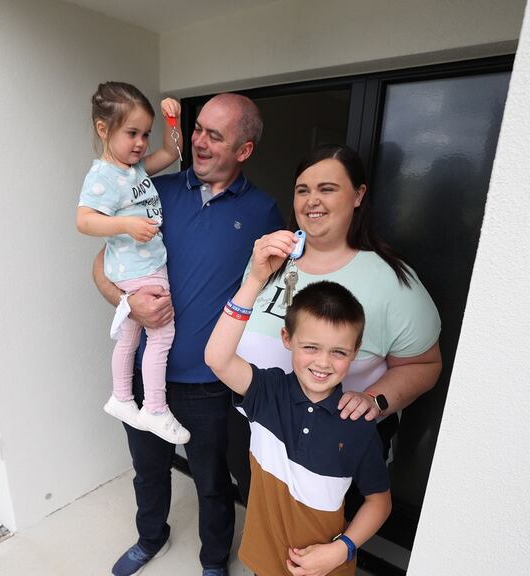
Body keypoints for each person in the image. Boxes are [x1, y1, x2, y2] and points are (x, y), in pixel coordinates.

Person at [93, 93, 285, 576]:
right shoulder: (150, 190)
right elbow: (101, 263)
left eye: (214, 136)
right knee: (149, 470)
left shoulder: (263, 212)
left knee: (213, 482)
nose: (197, 142)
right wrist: (127, 302)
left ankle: (214, 563)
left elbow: (270, 298)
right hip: (142, 376)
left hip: (207, 382)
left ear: (243, 150)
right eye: (198, 129)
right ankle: (150, 537)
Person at [230, 144, 442, 503]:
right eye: (303, 190)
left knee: (321, 544)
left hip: (330, 447)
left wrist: (376, 400)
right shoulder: (271, 261)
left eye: (327, 189)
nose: (312, 200)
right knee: (265, 528)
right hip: (254, 430)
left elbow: (425, 364)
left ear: (358, 195)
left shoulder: (392, 280)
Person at [206, 279, 392, 576]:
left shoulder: (357, 423)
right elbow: (217, 358)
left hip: (327, 568)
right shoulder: (267, 391)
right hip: (264, 559)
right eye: (310, 347)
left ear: (355, 352)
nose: (323, 362)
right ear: (287, 338)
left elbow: (379, 501)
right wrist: (254, 279)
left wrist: (341, 549)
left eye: (339, 352)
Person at [76, 81, 190, 444]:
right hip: (140, 269)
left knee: (130, 334)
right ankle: (155, 408)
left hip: (137, 267)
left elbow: (170, 154)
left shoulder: (134, 167)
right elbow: (84, 220)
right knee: (162, 332)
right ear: (103, 130)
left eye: (145, 133)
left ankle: (122, 398)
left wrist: (174, 123)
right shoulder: (104, 176)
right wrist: (125, 223)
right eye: (132, 133)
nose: (141, 143)